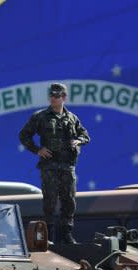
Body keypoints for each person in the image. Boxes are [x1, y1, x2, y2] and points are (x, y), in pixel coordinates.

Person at [19, 83, 90, 244]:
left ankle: (66, 233)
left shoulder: (72, 118)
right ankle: (49, 235)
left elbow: (85, 135)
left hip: (67, 166)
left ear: (64, 97)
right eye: (51, 95)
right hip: (49, 166)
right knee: (49, 201)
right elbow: (24, 135)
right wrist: (37, 150)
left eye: (57, 96)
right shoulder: (41, 116)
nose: (53, 98)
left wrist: (78, 140)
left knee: (69, 200)